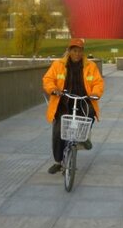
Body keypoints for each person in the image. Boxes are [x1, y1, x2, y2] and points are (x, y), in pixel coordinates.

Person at [42, 38, 104, 174]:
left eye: (80, 51)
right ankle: (58, 162)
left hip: (83, 100)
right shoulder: (58, 65)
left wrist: (95, 93)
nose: (77, 54)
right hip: (63, 102)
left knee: (89, 115)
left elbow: (98, 82)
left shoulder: (90, 66)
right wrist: (53, 89)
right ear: (69, 51)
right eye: (74, 51)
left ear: (83, 52)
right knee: (58, 132)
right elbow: (48, 79)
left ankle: (84, 138)